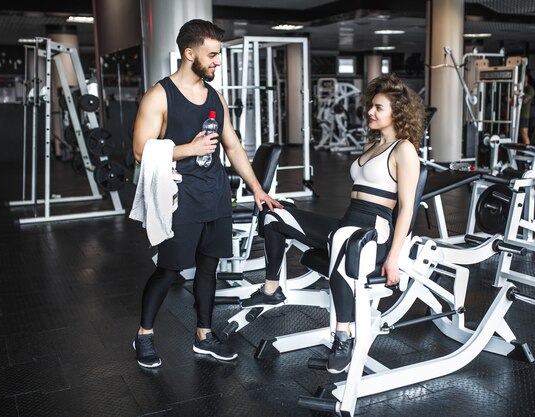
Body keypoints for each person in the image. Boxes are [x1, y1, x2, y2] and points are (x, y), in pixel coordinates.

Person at [241, 73, 424, 374]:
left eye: (379, 107)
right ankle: (272, 287)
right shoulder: (374, 144)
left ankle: (344, 336)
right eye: (371, 106)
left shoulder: (404, 150)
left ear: (397, 113)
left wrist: (393, 258)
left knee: (342, 239)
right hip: (347, 224)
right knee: (275, 213)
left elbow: (406, 209)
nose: (370, 112)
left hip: (373, 232)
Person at [131, 19, 281, 368]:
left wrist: (258, 189)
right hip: (179, 198)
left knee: (209, 268)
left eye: (218, 54)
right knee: (169, 271)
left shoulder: (216, 96)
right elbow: (140, 151)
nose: (217, 61)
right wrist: (187, 148)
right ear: (188, 53)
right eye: (212, 54)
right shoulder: (159, 95)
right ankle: (144, 335)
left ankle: (204, 335)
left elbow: (233, 146)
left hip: (214, 194)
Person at [519, 73, 535, 145]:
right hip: (517, 114)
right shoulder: (520, 88)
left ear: (527, 78)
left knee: (524, 133)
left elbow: (526, 100)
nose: (523, 79)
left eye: (524, 77)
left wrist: (518, 95)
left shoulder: (530, 89)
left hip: (524, 115)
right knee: (519, 133)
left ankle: (527, 152)